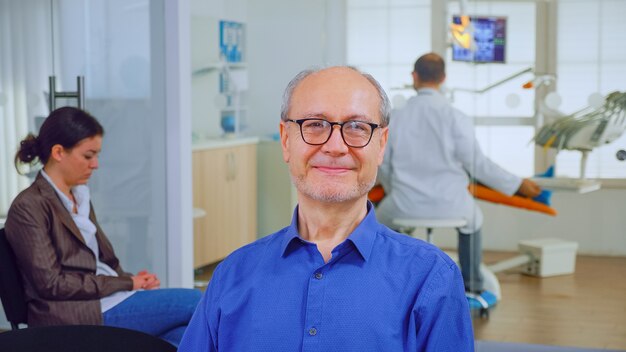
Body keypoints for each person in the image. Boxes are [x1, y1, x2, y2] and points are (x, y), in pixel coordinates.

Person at [179, 66, 474, 351]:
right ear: (285, 140)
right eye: (315, 125)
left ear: (381, 144)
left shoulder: (431, 279)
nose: (335, 146)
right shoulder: (232, 275)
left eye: (357, 127)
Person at [4, 106, 201, 347]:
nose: (95, 164)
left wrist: (128, 278)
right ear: (58, 152)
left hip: (108, 298)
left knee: (182, 336)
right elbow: (51, 284)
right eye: (88, 156)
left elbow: (99, 262)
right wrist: (128, 283)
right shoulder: (30, 206)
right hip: (77, 313)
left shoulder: (78, 196)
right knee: (196, 302)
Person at [377, 53, 541, 308]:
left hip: (404, 204)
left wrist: (392, 190)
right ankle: (473, 287)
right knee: (474, 220)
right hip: (451, 203)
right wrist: (519, 185)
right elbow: (478, 165)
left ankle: (389, 285)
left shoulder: (395, 117)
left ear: (414, 77)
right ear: (443, 78)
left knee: (380, 224)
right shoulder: (456, 117)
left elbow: (383, 165)